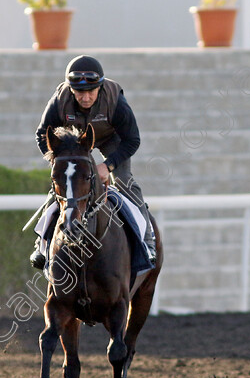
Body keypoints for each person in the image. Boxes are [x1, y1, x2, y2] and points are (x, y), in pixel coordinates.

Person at [30, 54, 156, 269]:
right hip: (74, 143)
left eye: (91, 91)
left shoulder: (115, 100)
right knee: (63, 185)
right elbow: (42, 134)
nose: (85, 98)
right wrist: (56, 162)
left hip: (111, 140)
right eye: (79, 92)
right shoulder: (60, 100)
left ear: (100, 86)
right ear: (71, 89)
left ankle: (147, 243)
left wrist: (108, 166)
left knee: (125, 181)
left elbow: (132, 140)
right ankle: (41, 245)